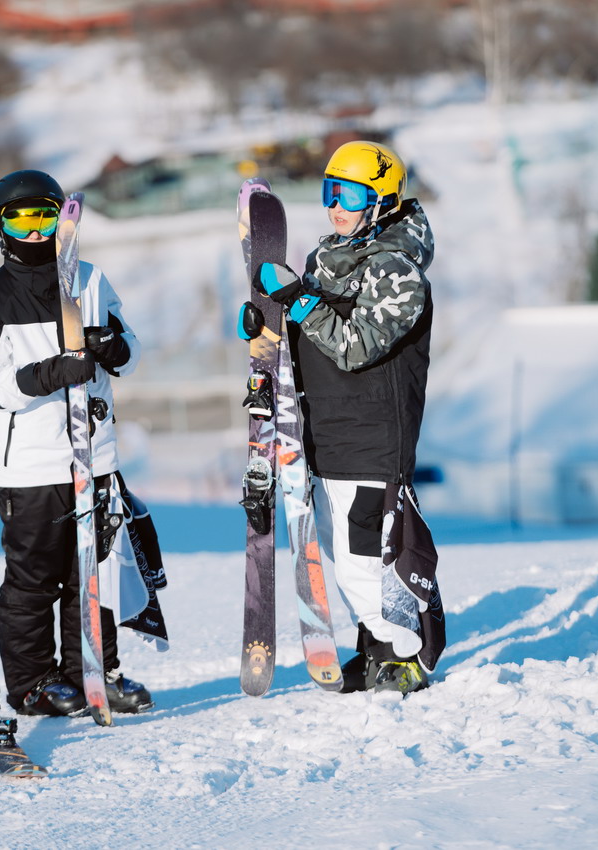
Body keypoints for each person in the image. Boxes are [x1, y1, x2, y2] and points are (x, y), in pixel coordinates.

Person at [0, 168, 153, 716]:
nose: (34, 232)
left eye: (44, 219)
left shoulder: (90, 281)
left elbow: (131, 352)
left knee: (95, 571)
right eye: (19, 222)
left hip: (95, 458)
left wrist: (108, 345)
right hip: (31, 467)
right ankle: (33, 683)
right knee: (35, 580)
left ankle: (93, 672)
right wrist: (50, 373)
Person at [258, 141, 443, 695]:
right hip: (327, 434)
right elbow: (309, 333)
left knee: (363, 561)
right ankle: (378, 649)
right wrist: (268, 326)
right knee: (347, 557)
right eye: (330, 192)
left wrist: (300, 303)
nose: (336, 206)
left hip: (372, 438)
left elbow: (355, 345)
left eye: (351, 196)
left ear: (382, 202)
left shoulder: (399, 272)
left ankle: (406, 655)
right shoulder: (328, 259)